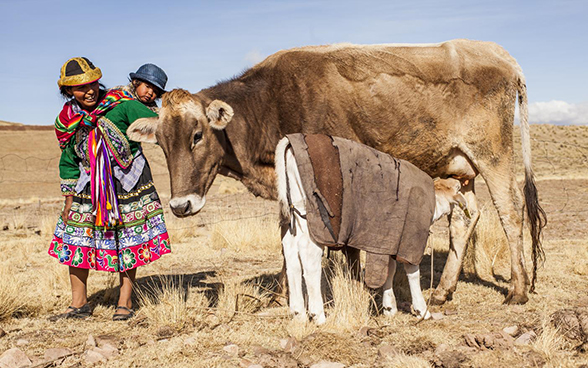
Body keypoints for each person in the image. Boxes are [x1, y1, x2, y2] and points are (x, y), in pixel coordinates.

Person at [49, 57, 171, 321]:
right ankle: (79, 304)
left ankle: (124, 302)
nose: (90, 91)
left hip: (128, 181)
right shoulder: (67, 119)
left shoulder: (122, 103)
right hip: (87, 184)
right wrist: (68, 198)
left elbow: (162, 125)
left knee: (128, 240)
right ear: (69, 91)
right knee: (77, 240)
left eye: (93, 84)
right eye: (81, 88)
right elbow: (68, 156)